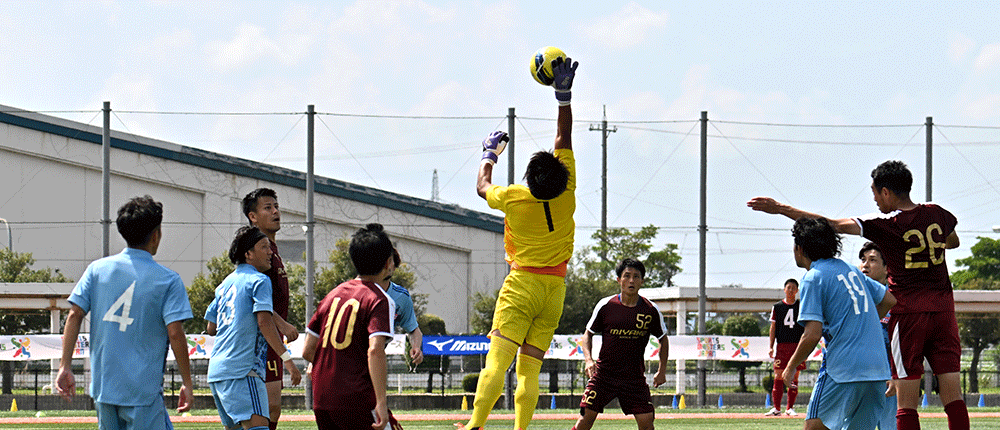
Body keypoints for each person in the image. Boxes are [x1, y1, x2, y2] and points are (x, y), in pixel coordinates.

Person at [748, 160, 968, 430]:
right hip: (945, 310)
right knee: (953, 396)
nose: (874, 199)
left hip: (909, 313)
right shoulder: (937, 213)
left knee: (906, 402)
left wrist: (781, 209)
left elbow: (831, 224)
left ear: (886, 191)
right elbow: (953, 241)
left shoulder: (888, 226)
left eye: (875, 192)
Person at [459, 55, 579, 430]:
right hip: (555, 287)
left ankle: (476, 425)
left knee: (498, 360)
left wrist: (489, 154)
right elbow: (564, 137)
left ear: (529, 177)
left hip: (522, 283)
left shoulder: (513, 197)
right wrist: (564, 96)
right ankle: (521, 429)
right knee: (531, 366)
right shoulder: (568, 189)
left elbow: (482, 187)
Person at [56, 196, 194, 430]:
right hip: (143, 392)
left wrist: (64, 366)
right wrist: (187, 383)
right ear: (156, 235)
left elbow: (74, 315)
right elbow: (175, 333)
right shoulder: (168, 280)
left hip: (104, 390)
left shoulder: (97, 270)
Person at [781, 217, 896, 430]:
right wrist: (863, 322)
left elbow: (812, 334)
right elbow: (889, 300)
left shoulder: (813, 277)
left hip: (843, 367)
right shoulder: (851, 270)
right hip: (877, 368)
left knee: (814, 426)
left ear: (800, 247)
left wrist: (791, 366)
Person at [301, 223, 402, 430]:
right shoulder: (379, 299)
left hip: (322, 398)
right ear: (388, 263)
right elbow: (374, 350)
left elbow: (307, 350)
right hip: (356, 398)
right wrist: (381, 403)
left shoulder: (332, 295)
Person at [205, 226, 301, 430]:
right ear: (248, 254)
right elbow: (264, 322)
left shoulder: (224, 285)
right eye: (264, 247)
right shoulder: (259, 280)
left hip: (217, 373)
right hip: (243, 371)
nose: (270, 252)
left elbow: (211, 327)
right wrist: (289, 362)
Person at [571, 258, 669, 430]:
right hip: (604, 376)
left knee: (647, 423)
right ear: (619, 280)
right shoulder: (605, 305)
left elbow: (663, 339)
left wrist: (662, 371)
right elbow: (588, 334)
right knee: (585, 418)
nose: (631, 280)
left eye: (636, 277)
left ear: (642, 281)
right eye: (627, 276)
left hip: (634, 379)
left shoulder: (650, 310)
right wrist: (588, 360)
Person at [242, 188, 299, 430]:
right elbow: (251, 297)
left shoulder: (271, 251)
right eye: (268, 207)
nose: (275, 212)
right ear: (252, 216)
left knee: (273, 405)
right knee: (265, 404)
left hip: (272, 339)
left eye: (276, 206)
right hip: (260, 341)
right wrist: (281, 323)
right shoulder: (258, 254)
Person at [859, 241, 896, 430]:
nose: (865, 264)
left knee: (890, 426)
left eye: (872, 260)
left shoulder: (897, 299)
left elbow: (902, 343)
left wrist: (893, 374)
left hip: (889, 378)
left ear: (887, 267)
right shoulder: (854, 297)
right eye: (863, 260)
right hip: (857, 377)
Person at [766, 278, 806, 417]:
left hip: (797, 346)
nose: (790, 290)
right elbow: (773, 327)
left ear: (796, 291)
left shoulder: (801, 306)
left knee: (794, 376)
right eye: (788, 287)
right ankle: (776, 408)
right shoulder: (777, 307)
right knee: (778, 375)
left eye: (793, 288)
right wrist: (771, 346)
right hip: (782, 346)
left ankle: (790, 408)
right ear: (784, 289)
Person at [385, 248, 424, 367]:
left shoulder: (401, 297)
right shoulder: (358, 292)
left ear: (394, 267)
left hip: (377, 354)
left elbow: (413, 329)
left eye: (389, 261)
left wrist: (416, 347)